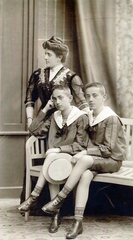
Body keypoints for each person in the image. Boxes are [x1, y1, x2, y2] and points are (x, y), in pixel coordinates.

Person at [42, 82, 127, 239]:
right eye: (87, 96)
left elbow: (108, 150)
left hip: (112, 160)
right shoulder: (90, 115)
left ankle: (59, 199)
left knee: (84, 159)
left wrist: (84, 153)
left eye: (95, 95)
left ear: (104, 97)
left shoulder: (111, 118)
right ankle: (78, 222)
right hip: (96, 160)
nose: (90, 99)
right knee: (85, 175)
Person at [18, 85, 89, 233]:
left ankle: (33, 198)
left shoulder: (81, 117)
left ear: (70, 98)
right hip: (54, 160)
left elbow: (81, 145)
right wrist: (45, 109)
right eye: (54, 98)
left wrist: (59, 149)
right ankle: (55, 215)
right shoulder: (54, 116)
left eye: (61, 97)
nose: (57, 101)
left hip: (72, 158)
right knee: (52, 162)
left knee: (51, 157)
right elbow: (34, 130)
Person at [25, 36, 89, 128]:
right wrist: (30, 120)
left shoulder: (71, 77)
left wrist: (90, 120)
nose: (45, 57)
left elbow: (81, 102)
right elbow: (30, 99)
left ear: (59, 57)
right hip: (42, 120)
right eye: (45, 54)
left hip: (63, 121)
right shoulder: (37, 74)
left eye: (49, 54)